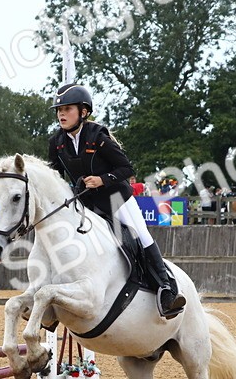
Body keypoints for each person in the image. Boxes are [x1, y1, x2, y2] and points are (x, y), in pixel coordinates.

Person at [47, 83, 186, 319]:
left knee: (141, 235)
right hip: (87, 205)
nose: (61, 114)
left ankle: (166, 291)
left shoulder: (97, 137)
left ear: (83, 112)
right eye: (59, 109)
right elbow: (54, 174)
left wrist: (102, 180)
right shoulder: (57, 143)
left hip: (116, 198)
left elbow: (126, 168)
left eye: (67, 109)